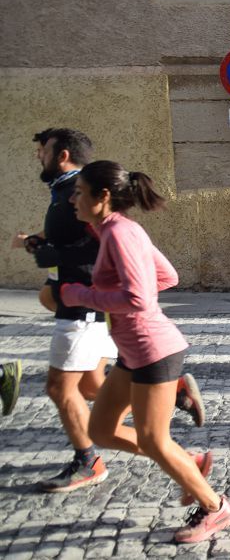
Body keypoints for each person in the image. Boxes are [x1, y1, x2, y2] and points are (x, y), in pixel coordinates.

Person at [14, 129, 202, 494]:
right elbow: (159, 275)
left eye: (44, 150)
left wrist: (82, 290)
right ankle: (181, 448)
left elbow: (133, 283)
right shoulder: (85, 204)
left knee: (61, 388)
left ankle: (92, 461)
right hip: (111, 327)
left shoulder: (105, 220)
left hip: (103, 322)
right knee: (92, 394)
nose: (39, 156)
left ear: (64, 155)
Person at [61, 161, 230, 543]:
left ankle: (214, 507)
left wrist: (79, 294)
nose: (73, 199)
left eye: (79, 192)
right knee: (101, 429)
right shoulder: (114, 231)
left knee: (155, 440)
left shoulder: (121, 234)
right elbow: (167, 276)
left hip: (153, 350)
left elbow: (137, 298)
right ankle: (189, 462)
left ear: (102, 196)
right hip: (133, 352)